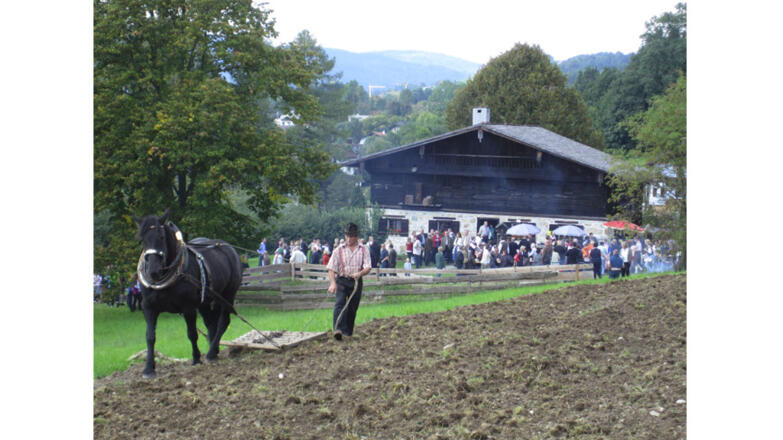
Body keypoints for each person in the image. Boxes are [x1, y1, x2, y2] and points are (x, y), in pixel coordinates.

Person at [326, 223, 372, 340]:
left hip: (356, 282)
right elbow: (331, 268)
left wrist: (360, 273)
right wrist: (332, 283)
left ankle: (347, 333)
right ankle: (338, 329)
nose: (348, 239)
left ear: (356, 237)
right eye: (347, 236)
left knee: (352, 307)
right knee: (340, 303)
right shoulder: (338, 250)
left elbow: (368, 267)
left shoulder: (363, 250)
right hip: (341, 280)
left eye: (350, 236)